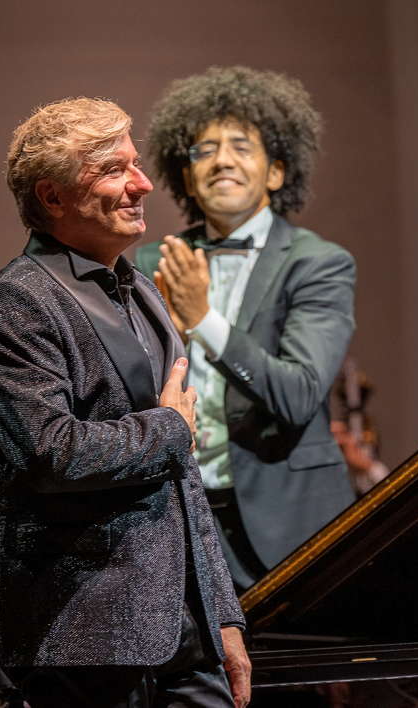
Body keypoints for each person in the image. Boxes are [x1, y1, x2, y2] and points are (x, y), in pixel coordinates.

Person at [0, 97, 249, 708]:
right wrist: (169, 428)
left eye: (136, 164)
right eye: (116, 170)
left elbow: (182, 477)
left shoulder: (143, 291)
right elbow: (50, 453)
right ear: (53, 196)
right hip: (84, 631)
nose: (142, 183)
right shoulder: (17, 301)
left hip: (181, 628)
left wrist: (222, 613)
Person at [136, 66, 357, 588]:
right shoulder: (149, 262)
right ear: (186, 176)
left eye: (241, 145)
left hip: (287, 528)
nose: (222, 160)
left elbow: (299, 392)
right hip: (177, 519)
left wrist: (202, 320)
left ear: (276, 172)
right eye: (203, 150)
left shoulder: (318, 262)